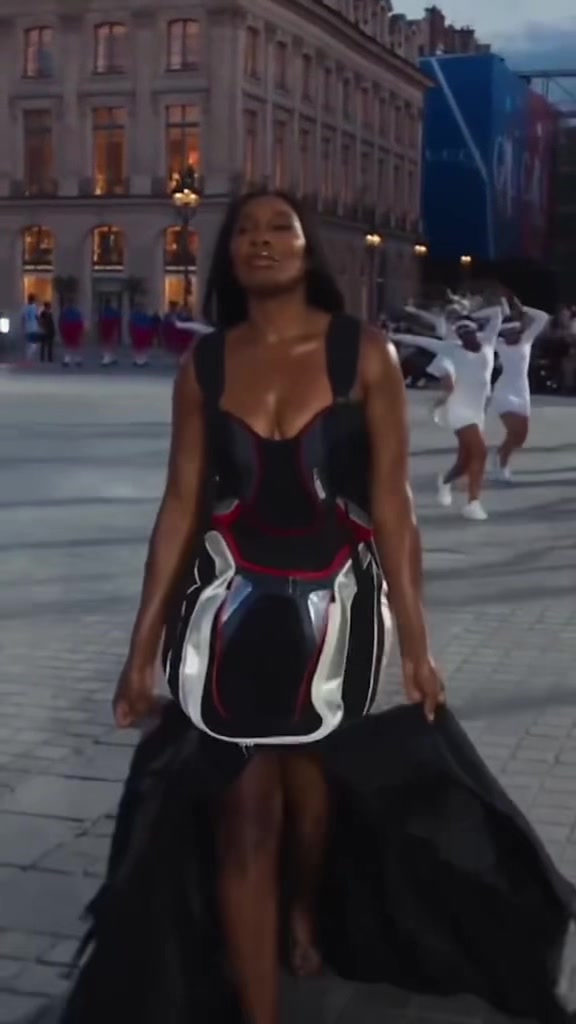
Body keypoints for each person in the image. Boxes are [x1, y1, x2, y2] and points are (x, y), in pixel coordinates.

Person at [61, 191, 575, 1024]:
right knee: (245, 809)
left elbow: (394, 504)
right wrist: (140, 649)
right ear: (230, 256)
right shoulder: (205, 366)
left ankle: (305, 907)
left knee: (310, 783)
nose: (262, 242)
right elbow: (180, 505)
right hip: (226, 608)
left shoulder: (363, 353)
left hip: (340, 608)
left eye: (281, 229)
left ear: (307, 251)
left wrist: (418, 644)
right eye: (247, 232)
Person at [393, 299, 505, 521]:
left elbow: (497, 313)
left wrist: (471, 314)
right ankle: (473, 503)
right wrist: (392, 335)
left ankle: (445, 482)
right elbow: (421, 341)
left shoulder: (489, 341)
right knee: (480, 452)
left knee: (465, 459)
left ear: (475, 331)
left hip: (478, 410)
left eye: (467, 331)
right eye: (460, 334)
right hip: (458, 408)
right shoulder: (452, 349)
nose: (465, 336)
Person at [490, 297, 550, 481]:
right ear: (504, 334)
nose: (513, 335)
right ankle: (501, 467)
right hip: (504, 392)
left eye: (516, 331)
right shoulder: (498, 344)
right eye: (509, 333)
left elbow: (543, 318)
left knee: (521, 437)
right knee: (514, 431)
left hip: (522, 392)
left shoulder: (526, 341)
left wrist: (523, 308)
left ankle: (499, 456)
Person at [22, 293, 41, 361]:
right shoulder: (34, 307)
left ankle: (28, 356)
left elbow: (23, 318)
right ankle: (28, 356)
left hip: (28, 327)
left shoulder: (25, 307)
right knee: (33, 344)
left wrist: (23, 327)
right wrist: (40, 325)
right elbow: (37, 317)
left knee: (29, 343)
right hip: (33, 327)